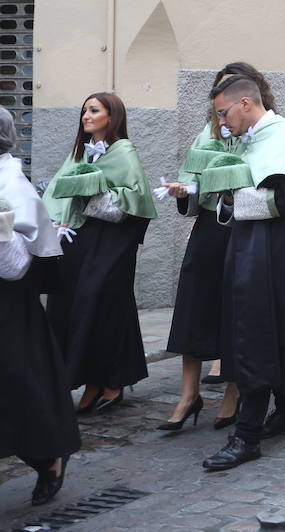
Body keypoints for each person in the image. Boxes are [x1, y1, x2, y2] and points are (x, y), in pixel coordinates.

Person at [198, 74, 285, 471]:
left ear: (245, 103)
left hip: (270, 250)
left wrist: (232, 194)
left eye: (224, 113)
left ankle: (246, 435)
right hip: (252, 244)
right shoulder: (252, 140)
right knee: (278, 328)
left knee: (255, 331)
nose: (223, 123)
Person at [161, 63, 275, 433]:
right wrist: (185, 191)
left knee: (234, 310)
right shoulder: (206, 134)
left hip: (243, 227)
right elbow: (193, 181)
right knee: (194, 307)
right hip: (209, 228)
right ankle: (188, 394)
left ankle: (233, 391)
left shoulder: (261, 134)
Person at [42, 92, 156, 415]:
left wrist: (96, 191)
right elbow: (59, 191)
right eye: (84, 111)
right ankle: (92, 381)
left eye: (94, 110)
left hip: (113, 242)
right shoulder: (80, 153)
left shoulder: (124, 152)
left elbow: (135, 199)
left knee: (102, 303)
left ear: (112, 115)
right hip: (79, 239)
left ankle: (110, 381)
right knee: (75, 306)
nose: (86, 116)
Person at [0, 107, 81, 506]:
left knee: (21, 391)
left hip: (7, 310)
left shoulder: (9, 184)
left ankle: (48, 456)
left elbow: (14, 265)